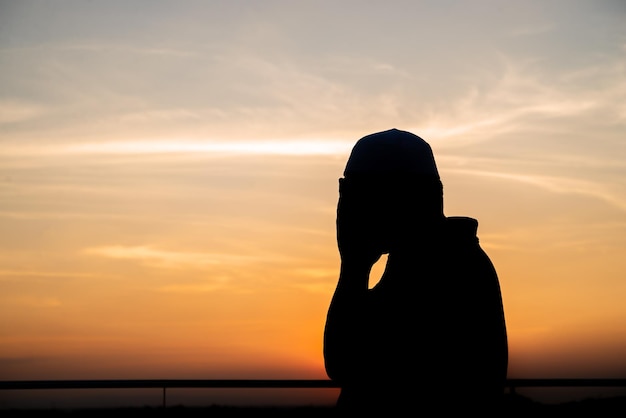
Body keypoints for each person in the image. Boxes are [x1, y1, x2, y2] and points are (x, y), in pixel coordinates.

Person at [323, 128, 508, 414]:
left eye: (354, 196)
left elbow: (343, 361)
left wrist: (353, 266)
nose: (346, 211)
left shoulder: (444, 268)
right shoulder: (425, 259)